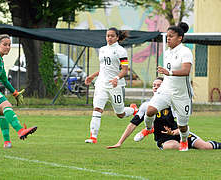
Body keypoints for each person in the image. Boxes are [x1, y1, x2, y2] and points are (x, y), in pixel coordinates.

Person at [107, 77, 221, 150]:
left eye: (159, 85)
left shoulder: (173, 103)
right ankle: (149, 129)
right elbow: (132, 124)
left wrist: (175, 132)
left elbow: (183, 124)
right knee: (173, 146)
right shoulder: (147, 106)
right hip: (163, 138)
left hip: (179, 133)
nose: (156, 88)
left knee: (206, 147)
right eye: (154, 85)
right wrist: (119, 142)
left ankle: (188, 143)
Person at [143, 22, 194, 151]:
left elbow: (186, 71)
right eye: (167, 36)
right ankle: (149, 129)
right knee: (150, 111)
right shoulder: (167, 52)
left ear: (180, 38)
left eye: (171, 36)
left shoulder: (185, 51)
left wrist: (169, 72)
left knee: (182, 125)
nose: (168, 38)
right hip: (166, 89)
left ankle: (183, 141)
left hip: (181, 94)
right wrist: (167, 75)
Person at [84, 27, 138, 144]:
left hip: (115, 86)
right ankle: (93, 137)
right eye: (108, 35)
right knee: (97, 109)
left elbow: (125, 70)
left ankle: (133, 109)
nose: (109, 38)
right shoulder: (102, 49)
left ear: (117, 37)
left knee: (120, 114)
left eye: (112, 36)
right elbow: (104, 68)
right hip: (101, 84)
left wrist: (116, 78)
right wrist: (92, 76)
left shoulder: (121, 51)